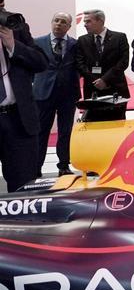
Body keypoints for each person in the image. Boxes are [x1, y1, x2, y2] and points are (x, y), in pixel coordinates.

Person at [0, 0, 48, 192]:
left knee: (24, 185)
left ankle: (23, 223)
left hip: (18, 119)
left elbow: (41, 62)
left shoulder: (16, 27)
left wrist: (13, 45)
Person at [34, 13, 79, 176]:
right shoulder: (37, 42)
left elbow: (79, 67)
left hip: (68, 95)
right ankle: (36, 166)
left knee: (65, 131)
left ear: (69, 26)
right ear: (51, 22)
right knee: (41, 132)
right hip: (43, 93)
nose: (59, 24)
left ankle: (64, 165)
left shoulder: (75, 44)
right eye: (56, 21)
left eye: (63, 22)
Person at [75, 9, 131, 104]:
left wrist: (105, 80)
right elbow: (80, 64)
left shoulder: (119, 38)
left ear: (100, 21)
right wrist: (96, 81)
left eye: (88, 21)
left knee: (117, 119)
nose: (85, 25)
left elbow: (123, 62)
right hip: (92, 90)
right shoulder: (82, 40)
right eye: (84, 22)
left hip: (115, 88)